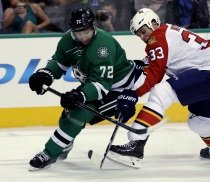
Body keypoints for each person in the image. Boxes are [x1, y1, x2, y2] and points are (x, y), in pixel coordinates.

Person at [109, 8, 210, 167]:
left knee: (161, 92)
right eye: (139, 35)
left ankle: (136, 144)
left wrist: (132, 94)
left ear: (154, 23)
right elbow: (148, 66)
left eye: (143, 31)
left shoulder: (157, 37)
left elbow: (154, 75)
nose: (143, 37)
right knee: (198, 120)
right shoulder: (166, 34)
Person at [28, 6, 146, 170]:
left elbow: (102, 86)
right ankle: (65, 143)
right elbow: (58, 63)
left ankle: (50, 153)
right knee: (68, 111)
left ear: (93, 26)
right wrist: (45, 74)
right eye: (78, 32)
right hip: (98, 83)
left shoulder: (103, 47)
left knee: (79, 112)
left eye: (86, 31)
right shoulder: (67, 41)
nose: (83, 36)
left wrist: (79, 95)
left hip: (120, 88)